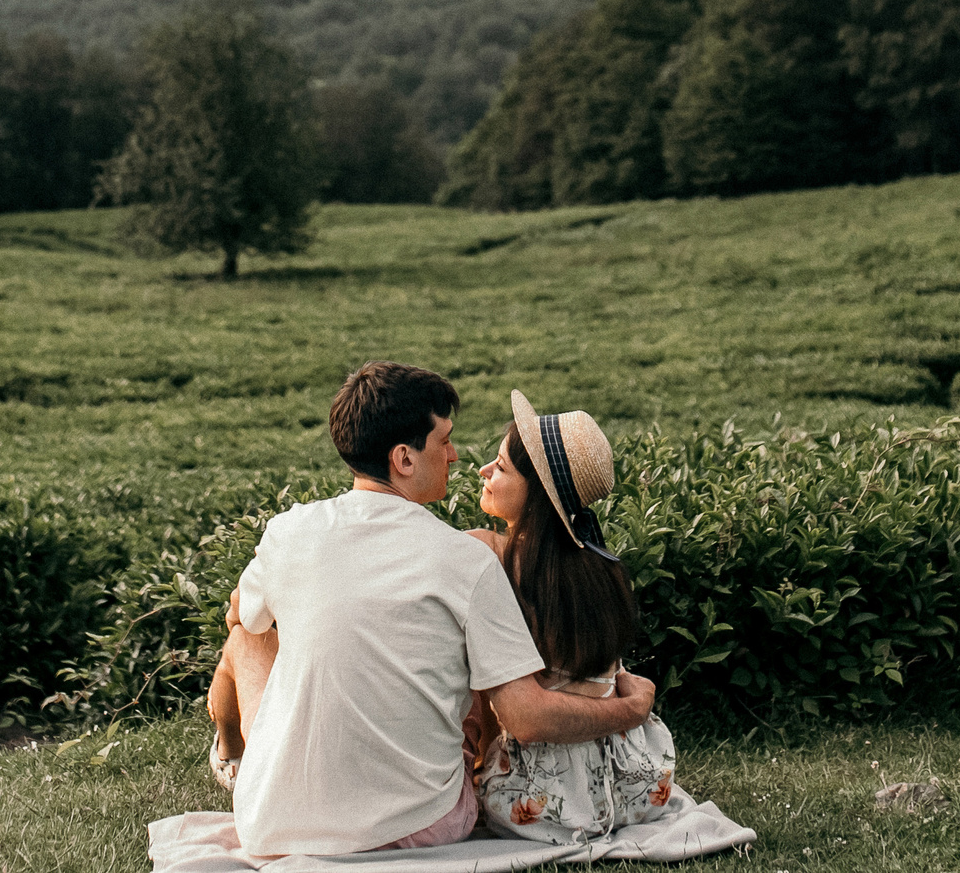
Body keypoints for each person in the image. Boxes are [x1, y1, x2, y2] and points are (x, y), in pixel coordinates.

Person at [206, 362, 657, 856]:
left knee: (246, 636)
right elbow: (526, 717)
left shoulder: (288, 532)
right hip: (421, 827)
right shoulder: (466, 559)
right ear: (404, 458)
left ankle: (237, 758)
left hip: (272, 827)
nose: (457, 455)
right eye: (443, 441)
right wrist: (631, 708)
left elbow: (241, 615)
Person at [465, 391, 678, 842]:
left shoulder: (492, 557)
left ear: (537, 493)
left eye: (501, 467)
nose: (484, 471)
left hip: (543, 804)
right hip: (637, 785)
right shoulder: (599, 566)